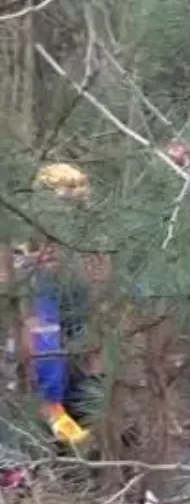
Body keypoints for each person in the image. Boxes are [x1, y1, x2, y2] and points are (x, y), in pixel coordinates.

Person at [15, 163, 109, 447]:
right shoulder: (24, 233)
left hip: (79, 301)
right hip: (41, 299)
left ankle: (91, 408)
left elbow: (102, 274)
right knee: (45, 334)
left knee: (90, 339)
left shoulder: (91, 233)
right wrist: (31, 263)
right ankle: (52, 410)